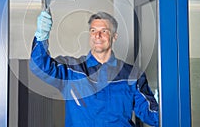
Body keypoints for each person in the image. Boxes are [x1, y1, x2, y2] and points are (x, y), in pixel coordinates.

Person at [30, 11, 159, 127]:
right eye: (93, 30)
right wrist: (42, 36)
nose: (97, 35)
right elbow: (40, 66)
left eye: (104, 31)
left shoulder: (132, 75)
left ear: (114, 36)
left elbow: (153, 116)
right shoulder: (71, 70)